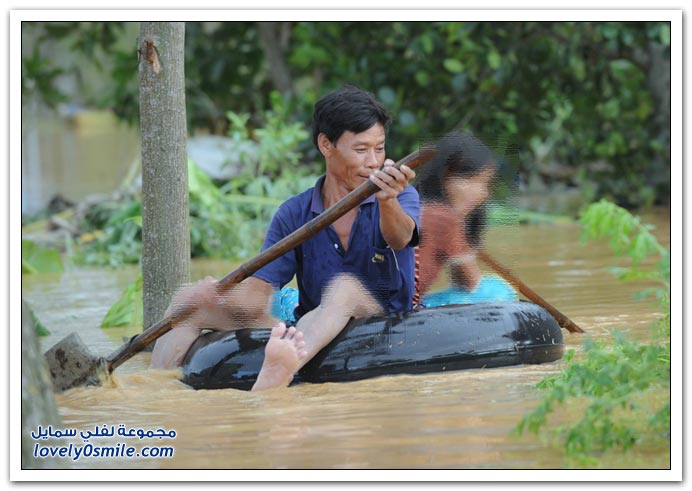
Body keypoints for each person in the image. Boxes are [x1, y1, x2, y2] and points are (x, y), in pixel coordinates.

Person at [150, 86, 421, 391]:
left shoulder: (401, 195)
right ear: (326, 145)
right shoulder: (294, 212)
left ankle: (275, 378)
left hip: (384, 320)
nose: (374, 161)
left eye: (380, 148)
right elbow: (256, 298)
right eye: (361, 150)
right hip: (313, 325)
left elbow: (400, 238)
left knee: (344, 289)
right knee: (189, 301)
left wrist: (387, 202)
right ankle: (152, 391)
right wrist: (213, 294)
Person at [413, 132, 517, 308]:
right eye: (467, 179)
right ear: (442, 176)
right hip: (393, 311)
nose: (478, 192)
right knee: (499, 292)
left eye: (484, 183)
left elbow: (459, 282)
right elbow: (471, 283)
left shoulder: (415, 206)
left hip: (388, 305)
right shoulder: (442, 217)